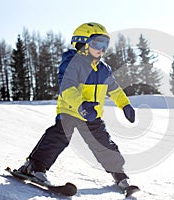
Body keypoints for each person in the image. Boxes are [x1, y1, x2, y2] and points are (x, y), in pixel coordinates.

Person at [18, 22, 136, 190]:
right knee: (59, 137)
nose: (102, 49)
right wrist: (81, 105)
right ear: (83, 43)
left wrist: (125, 105)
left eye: (105, 44)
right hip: (70, 110)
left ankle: (118, 173)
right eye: (97, 43)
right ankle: (34, 166)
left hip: (92, 114)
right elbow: (67, 88)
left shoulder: (104, 69)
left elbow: (115, 90)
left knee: (103, 142)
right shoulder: (73, 63)